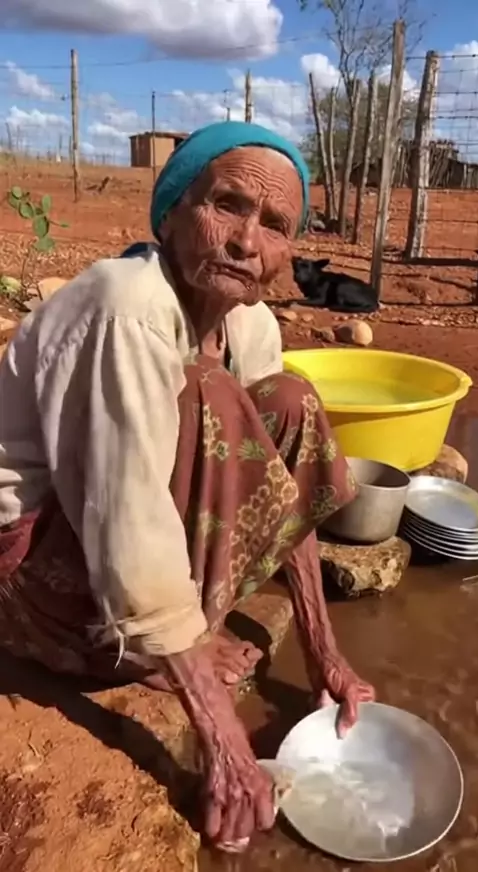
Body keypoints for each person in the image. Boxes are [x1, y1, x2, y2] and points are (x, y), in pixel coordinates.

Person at [0, 121, 374, 849]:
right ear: (171, 213)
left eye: (275, 226)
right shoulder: (127, 306)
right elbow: (126, 522)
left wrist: (326, 654)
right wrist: (227, 746)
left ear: (287, 255)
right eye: (227, 205)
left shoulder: (251, 325)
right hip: (33, 582)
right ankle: (150, 649)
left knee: (289, 399)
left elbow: (282, 484)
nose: (246, 241)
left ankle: (172, 637)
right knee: (211, 392)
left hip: (94, 547)